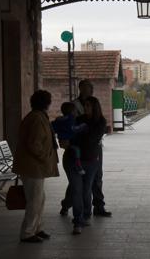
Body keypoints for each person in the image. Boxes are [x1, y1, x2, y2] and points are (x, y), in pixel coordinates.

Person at [12, 90, 59, 243]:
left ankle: (37, 228)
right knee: (34, 200)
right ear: (46, 103)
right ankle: (27, 233)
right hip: (33, 166)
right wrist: (45, 157)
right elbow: (34, 143)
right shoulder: (37, 119)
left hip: (34, 166)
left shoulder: (37, 116)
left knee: (40, 199)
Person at [60, 79, 112, 217]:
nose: (90, 91)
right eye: (87, 88)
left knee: (97, 177)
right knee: (77, 183)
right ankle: (67, 204)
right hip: (79, 149)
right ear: (81, 89)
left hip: (92, 148)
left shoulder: (94, 106)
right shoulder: (74, 106)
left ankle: (98, 206)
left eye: (90, 88)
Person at [66, 96, 107, 235]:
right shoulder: (79, 119)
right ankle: (78, 220)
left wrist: (78, 135)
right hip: (75, 160)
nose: (86, 108)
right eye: (85, 105)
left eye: (89, 105)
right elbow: (72, 136)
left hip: (91, 161)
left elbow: (92, 139)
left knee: (86, 189)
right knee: (77, 190)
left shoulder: (101, 121)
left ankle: (87, 214)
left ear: (95, 107)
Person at [52, 102, 87, 175]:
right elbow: (73, 129)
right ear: (72, 111)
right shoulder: (71, 119)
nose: (76, 112)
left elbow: (53, 128)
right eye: (75, 110)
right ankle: (78, 167)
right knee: (77, 151)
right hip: (70, 141)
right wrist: (83, 126)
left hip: (62, 140)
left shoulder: (59, 119)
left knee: (73, 150)